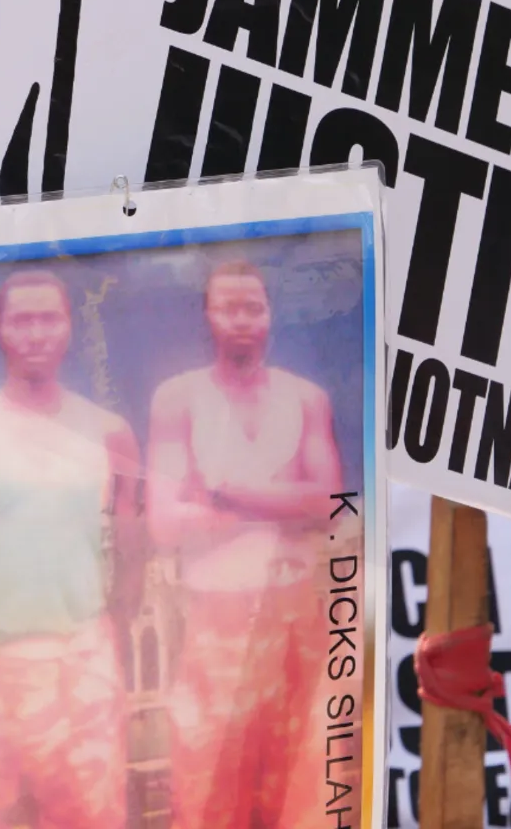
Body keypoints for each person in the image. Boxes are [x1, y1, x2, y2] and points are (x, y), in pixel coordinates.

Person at [0, 270, 139, 827]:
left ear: (69, 327)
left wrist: (101, 650)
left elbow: (131, 557)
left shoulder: (107, 434)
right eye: (22, 320)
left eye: (49, 319)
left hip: (78, 667)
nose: (36, 334)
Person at [146, 259, 345, 829]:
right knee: (211, 796)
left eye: (253, 308)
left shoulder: (305, 399)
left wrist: (224, 492)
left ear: (270, 315)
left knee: (303, 793)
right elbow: (164, 522)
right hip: (217, 618)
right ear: (208, 316)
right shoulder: (179, 399)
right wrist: (286, 502)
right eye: (228, 308)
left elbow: (330, 505)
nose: (241, 320)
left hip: (295, 613)